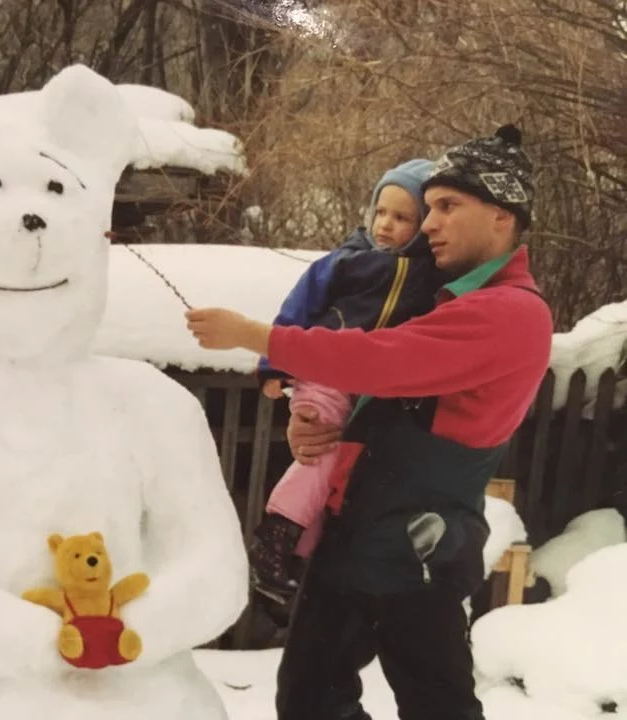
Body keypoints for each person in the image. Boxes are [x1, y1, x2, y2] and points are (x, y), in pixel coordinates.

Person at [186, 125, 553, 720]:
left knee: (437, 707)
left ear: (502, 215)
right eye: (427, 207)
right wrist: (309, 423)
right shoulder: (440, 297)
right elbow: (369, 392)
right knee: (309, 696)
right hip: (354, 537)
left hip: (417, 553)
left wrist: (255, 337)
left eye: (447, 206)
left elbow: (381, 362)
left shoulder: (509, 313)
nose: (427, 223)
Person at [251, 158, 446, 602]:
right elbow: (296, 309)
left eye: (401, 218)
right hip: (323, 367)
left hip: (366, 388)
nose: (385, 225)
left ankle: (294, 560)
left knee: (337, 465)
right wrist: (272, 365)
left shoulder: (426, 273)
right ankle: (273, 541)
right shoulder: (346, 261)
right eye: (381, 212)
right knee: (317, 451)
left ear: (421, 226)